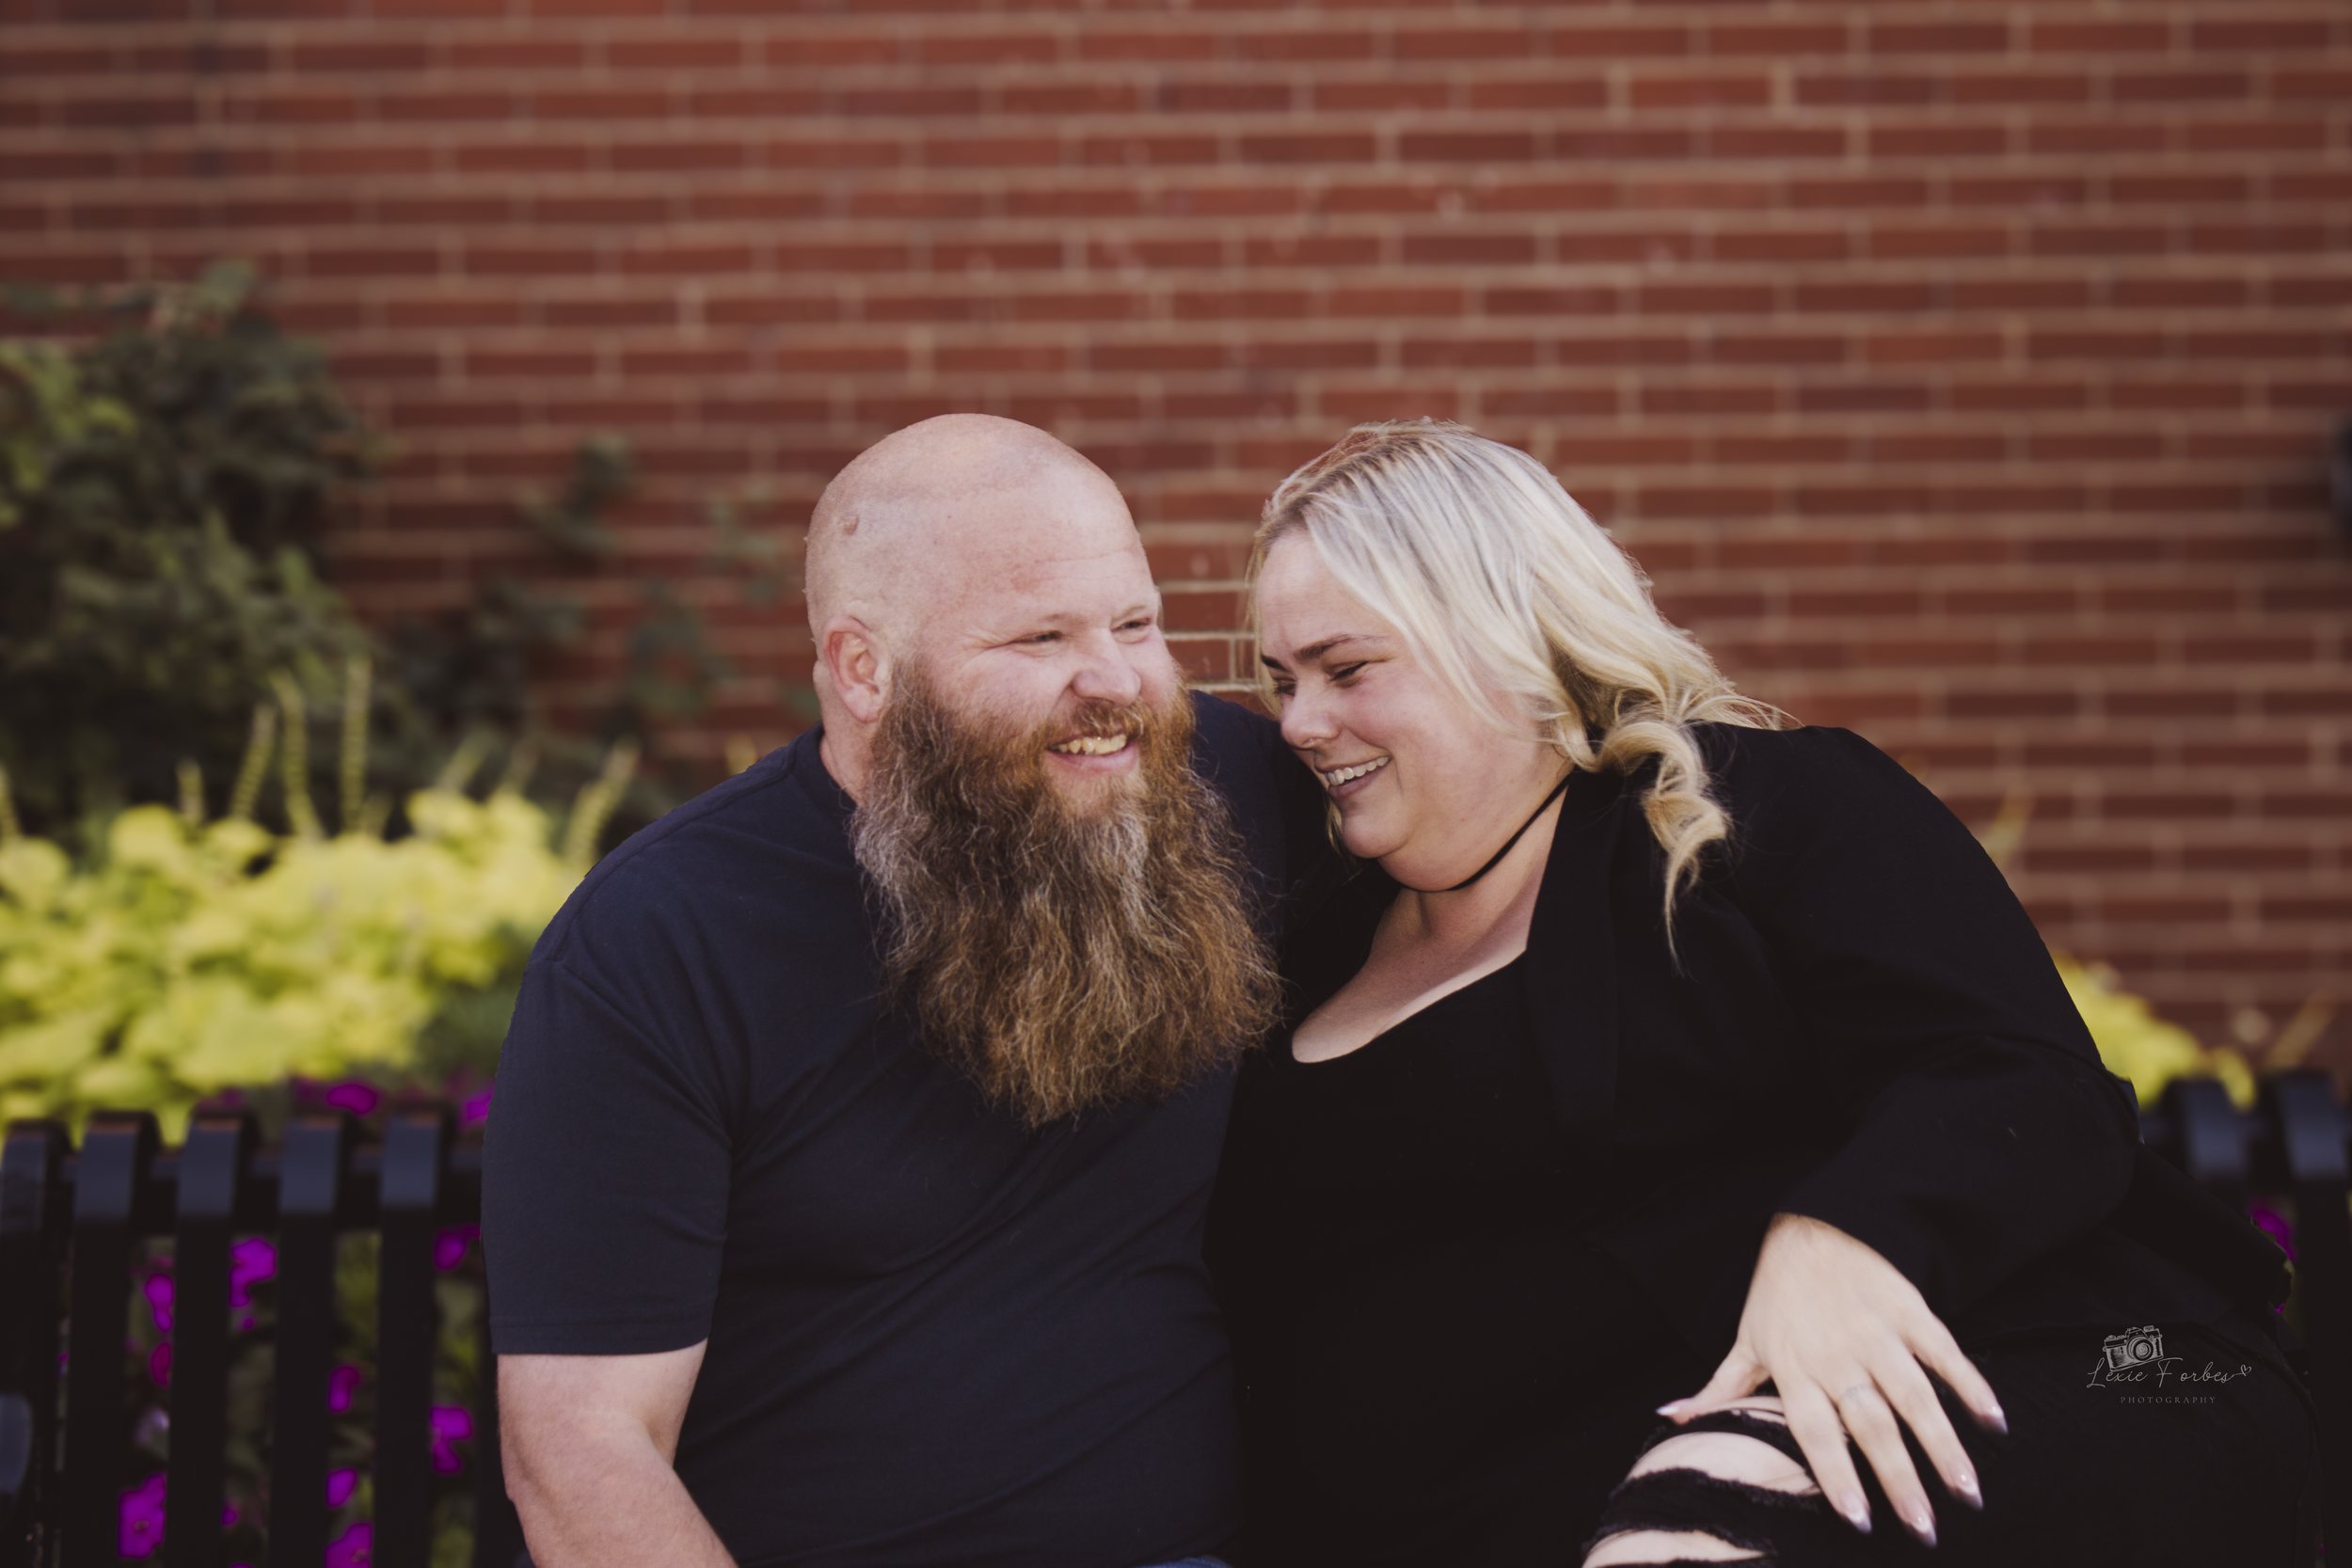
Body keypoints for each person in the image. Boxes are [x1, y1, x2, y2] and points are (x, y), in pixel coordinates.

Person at [1206, 420, 2319, 1567]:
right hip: (1511, 1515)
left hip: (2016, 1375)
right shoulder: (1291, 951)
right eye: (1281, 682)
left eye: (1347, 670)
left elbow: (2018, 1073)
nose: (1299, 723)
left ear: (1508, 638)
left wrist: (1843, 1233)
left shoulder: (1753, 817)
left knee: (1713, 1516)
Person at [483, 414, 1333, 1568]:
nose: (1116, 680)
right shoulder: (660, 939)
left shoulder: (1211, 792)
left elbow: (1512, 797)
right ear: (862, 666)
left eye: (1136, 623)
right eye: (1038, 637)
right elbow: (580, 1447)